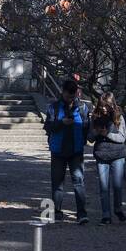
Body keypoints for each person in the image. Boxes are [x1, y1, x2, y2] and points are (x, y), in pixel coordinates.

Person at [45, 78, 90, 223]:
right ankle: (56, 212)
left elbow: (86, 127)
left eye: (73, 95)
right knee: (57, 182)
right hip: (58, 150)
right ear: (62, 92)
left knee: (79, 182)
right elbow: (48, 127)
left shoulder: (82, 108)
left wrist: (82, 141)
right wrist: (61, 123)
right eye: (68, 95)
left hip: (76, 150)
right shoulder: (54, 108)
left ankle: (82, 213)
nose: (71, 98)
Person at [89, 92, 126, 224]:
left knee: (117, 186)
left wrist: (107, 134)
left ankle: (118, 209)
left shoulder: (119, 117)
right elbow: (90, 138)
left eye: (106, 106)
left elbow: (122, 138)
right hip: (101, 154)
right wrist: (96, 132)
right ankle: (106, 215)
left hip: (118, 154)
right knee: (104, 187)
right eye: (102, 106)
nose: (104, 108)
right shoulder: (95, 117)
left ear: (112, 105)